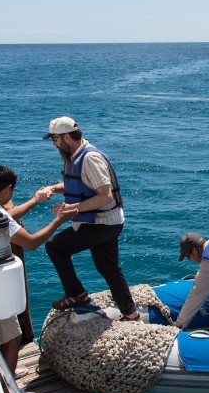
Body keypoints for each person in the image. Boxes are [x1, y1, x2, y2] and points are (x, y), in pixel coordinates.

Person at [0, 165, 75, 393]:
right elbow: (31, 242)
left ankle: (5, 371)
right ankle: (10, 392)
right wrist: (59, 221)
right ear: (9, 189)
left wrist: (34, 201)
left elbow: (7, 217)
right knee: (13, 335)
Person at [37, 116, 141, 321]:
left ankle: (77, 296)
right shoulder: (77, 156)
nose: (54, 144)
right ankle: (130, 313)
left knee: (55, 247)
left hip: (99, 223)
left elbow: (105, 195)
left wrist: (71, 209)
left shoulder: (90, 158)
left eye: (55, 139)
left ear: (66, 137)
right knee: (108, 267)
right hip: (108, 222)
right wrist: (52, 189)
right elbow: (79, 184)